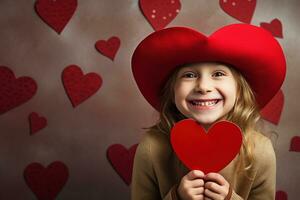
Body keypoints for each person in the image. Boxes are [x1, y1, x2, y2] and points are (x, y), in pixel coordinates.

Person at [130, 24, 286, 200]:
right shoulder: (152, 146)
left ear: (240, 91)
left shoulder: (260, 150)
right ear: (172, 92)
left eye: (218, 74)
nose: (203, 87)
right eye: (189, 75)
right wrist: (177, 197)